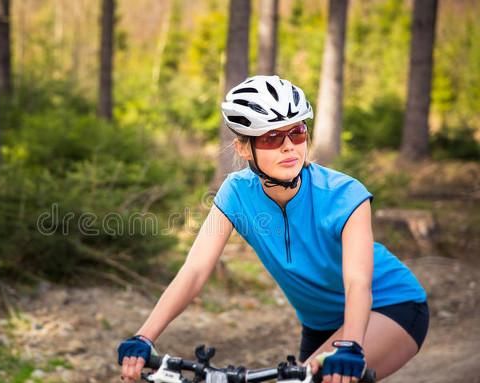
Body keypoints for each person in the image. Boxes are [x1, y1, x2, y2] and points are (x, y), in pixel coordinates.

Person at [117, 75, 429, 383]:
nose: (288, 147)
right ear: (243, 148)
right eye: (271, 138)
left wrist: (351, 345)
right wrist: (144, 336)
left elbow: (358, 283)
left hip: (389, 305)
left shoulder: (344, 195)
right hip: (319, 325)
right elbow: (195, 271)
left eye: (296, 132)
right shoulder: (236, 193)